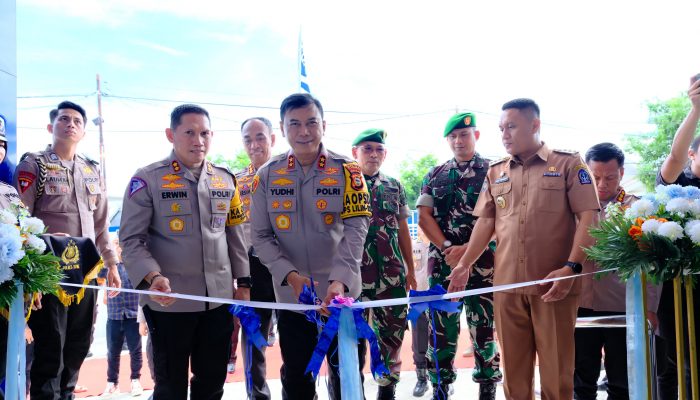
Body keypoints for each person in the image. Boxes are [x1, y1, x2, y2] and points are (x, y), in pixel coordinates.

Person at [447, 98, 600, 399]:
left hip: (552, 286)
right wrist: (464, 265)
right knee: (514, 378)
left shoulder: (568, 163)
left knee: (556, 377)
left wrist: (571, 267)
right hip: (506, 287)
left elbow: (589, 217)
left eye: (512, 126)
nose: (504, 134)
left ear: (535, 125)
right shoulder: (496, 171)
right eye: (501, 128)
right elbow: (485, 223)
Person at [119, 103, 250, 400]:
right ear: (170, 134)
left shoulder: (225, 180)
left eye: (204, 133)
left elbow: (235, 236)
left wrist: (243, 284)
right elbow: (131, 239)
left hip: (217, 303)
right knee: (170, 387)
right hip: (169, 303)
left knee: (212, 382)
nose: (198, 140)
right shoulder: (148, 179)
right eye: (189, 132)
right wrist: (152, 277)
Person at [251, 93, 370, 400]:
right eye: (295, 124)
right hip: (293, 298)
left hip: (341, 296)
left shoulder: (348, 170)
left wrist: (340, 280)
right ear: (283, 127)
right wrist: (289, 275)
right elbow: (261, 236)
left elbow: (357, 229)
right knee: (298, 377)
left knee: (347, 376)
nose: (304, 131)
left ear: (323, 125)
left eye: (311, 123)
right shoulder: (267, 175)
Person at [13, 101, 121, 400]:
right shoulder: (34, 165)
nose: (70, 124)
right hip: (48, 273)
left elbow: (101, 227)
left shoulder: (91, 171)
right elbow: (21, 219)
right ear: (51, 127)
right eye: (63, 119)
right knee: (50, 346)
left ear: (84, 131)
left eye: (76, 120)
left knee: (78, 344)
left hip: (85, 274)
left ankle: (68, 395)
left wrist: (111, 266)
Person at [416, 112, 502, 400]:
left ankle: (487, 384)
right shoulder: (435, 174)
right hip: (442, 263)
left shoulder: (495, 170)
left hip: (484, 263)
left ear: (475, 136)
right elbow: (424, 216)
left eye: (463, 135)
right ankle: (441, 382)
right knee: (441, 325)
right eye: (452, 136)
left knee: (484, 325)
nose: (458, 140)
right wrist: (446, 247)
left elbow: (501, 216)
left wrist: (467, 251)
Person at [575, 142, 659, 399]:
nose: (602, 184)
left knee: (622, 381)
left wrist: (650, 307)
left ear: (621, 173)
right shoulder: (574, 210)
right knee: (580, 379)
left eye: (610, 177)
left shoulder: (639, 210)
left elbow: (652, 264)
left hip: (622, 306)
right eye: (595, 177)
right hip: (579, 305)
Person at [351, 128, 416, 400]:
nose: (373, 154)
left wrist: (411, 270)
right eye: (367, 149)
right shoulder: (344, 185)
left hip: (391, 276)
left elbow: (402, 229)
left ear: (385, 154)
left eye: (379, 150)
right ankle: (353, 389)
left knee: (392, 336)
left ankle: (386, 389)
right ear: (355, 153)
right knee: (353, 338)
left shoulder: (394, 186)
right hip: (354, 277)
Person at [655, 73, 700, 400]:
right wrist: (695, 110)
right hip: (682, 289)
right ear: (694, 156)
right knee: (679, 363)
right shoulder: (677, 186)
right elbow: (675, 156)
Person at [232, 116, 278, 399]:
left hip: (290, 266)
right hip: (253, 267)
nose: (254, 144)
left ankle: (301, 389)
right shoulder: (236, 181)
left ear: (272, 139)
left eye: (260, 137)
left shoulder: (291, 172)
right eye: (248, 139)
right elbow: (233, 230)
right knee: (253, 334)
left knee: (299, 332)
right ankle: (257, 394)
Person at [99, 237, 143, 398]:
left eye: (120, 244)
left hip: (132, 315)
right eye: (115, 244)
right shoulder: (109, 267)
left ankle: (135, 380)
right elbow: (99, 279)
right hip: (114, 315)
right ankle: (112, 383)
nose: (118, 248)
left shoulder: (134, 266)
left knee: (135, 350)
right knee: (112, 351)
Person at [411, 226, 431, 397]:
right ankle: (422, 378)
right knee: (419, 338)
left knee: (443, 337)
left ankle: (443, 378)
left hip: (438, 299)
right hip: (417, 299)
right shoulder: (412, 246)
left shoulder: (438, 246)